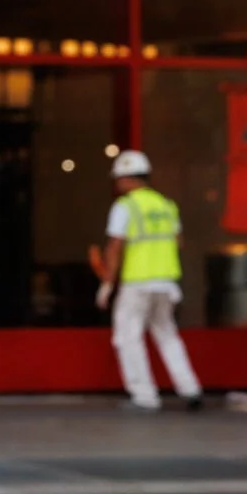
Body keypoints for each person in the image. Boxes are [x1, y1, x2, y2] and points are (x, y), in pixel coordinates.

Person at [97, 149, 205, 412]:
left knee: (128, 337)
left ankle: (144, 396)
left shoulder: (125, 207)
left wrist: (107, 284)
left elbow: (115, 247)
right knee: (167, 335)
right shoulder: (166, 206)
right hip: (166, 282)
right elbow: (177, 243)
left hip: (138, 283)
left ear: (124, 179)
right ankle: (190, 388)